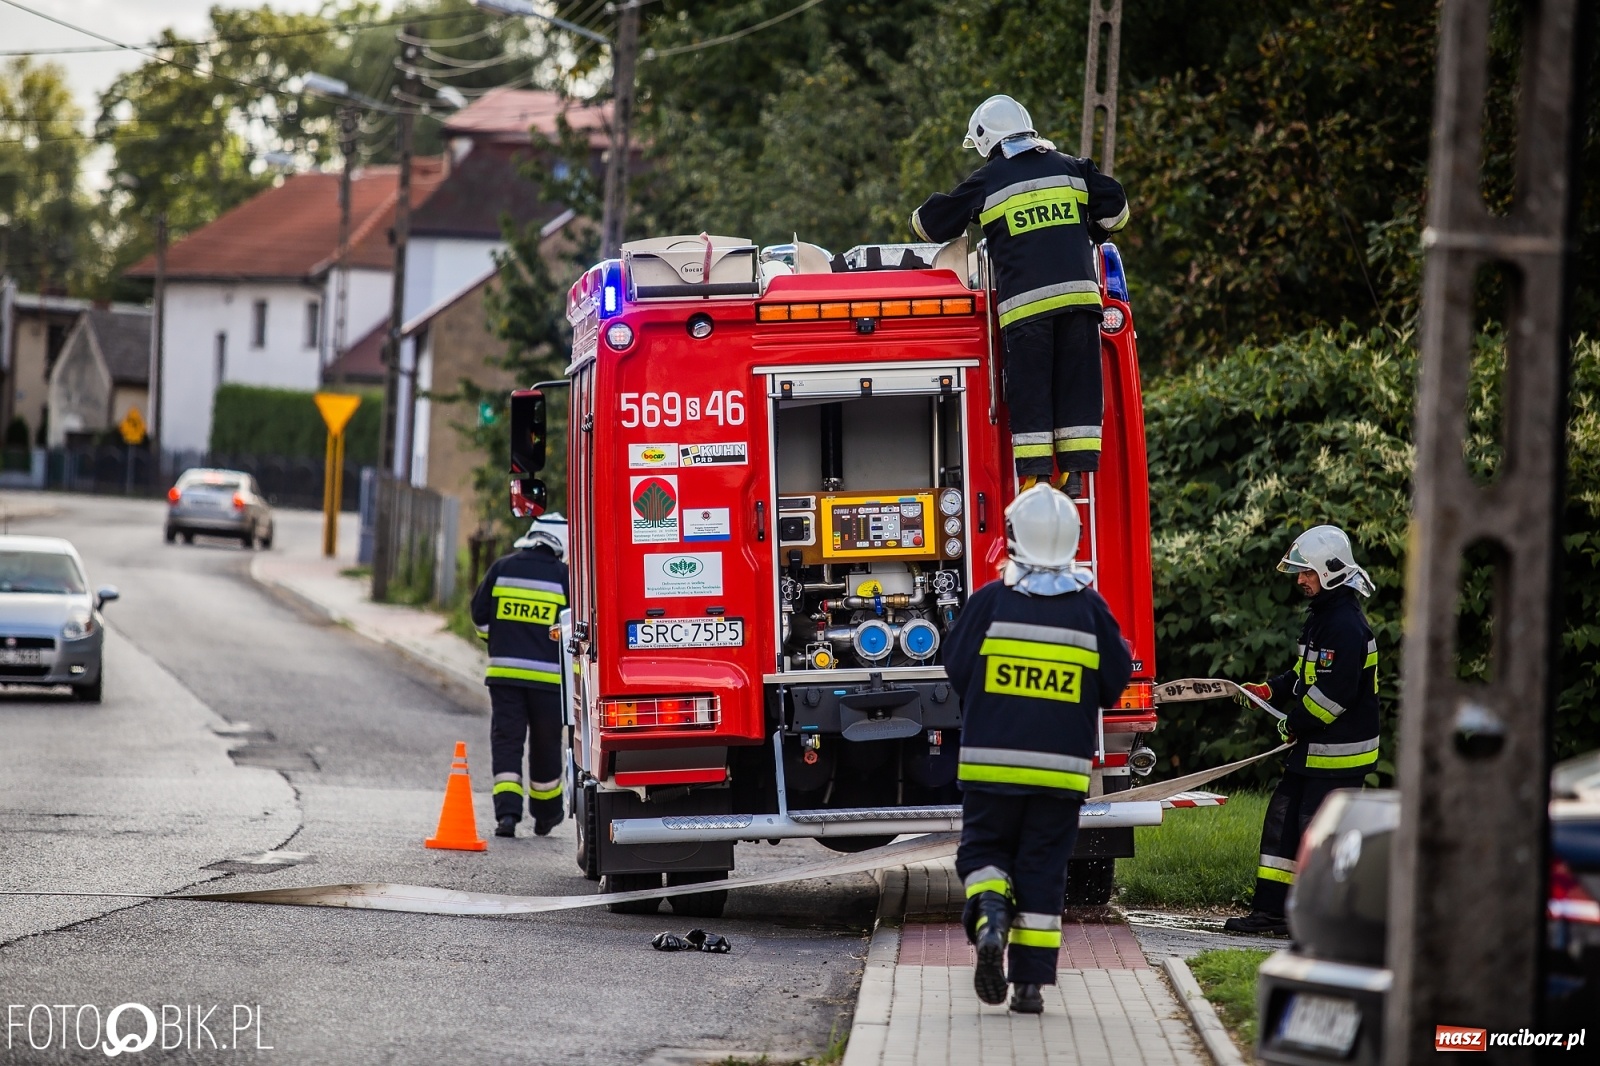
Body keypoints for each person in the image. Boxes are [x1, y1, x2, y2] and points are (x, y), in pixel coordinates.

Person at [941, 484, 1133, 1012]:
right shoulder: (1093, 611)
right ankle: (1028, 988)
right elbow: (1115, 686)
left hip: (989, 770)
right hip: (1060, 778)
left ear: (1014, 536)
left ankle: (990, 922)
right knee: (1044, 871)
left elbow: (955, 669)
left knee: (983, 855)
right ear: (1072, 539)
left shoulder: (988, 602)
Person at [911, 95, 1130, 497]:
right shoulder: (1072, 169)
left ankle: (1038, 478)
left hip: (1026, 311)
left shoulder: (988, 180)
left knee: (1032, 392)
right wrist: (1091, 232)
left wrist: (922, 215)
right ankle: (1077, 473)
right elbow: (1116, 211)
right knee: (1076, 385)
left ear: (985, 141)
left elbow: (930, 226)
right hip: (1081, 304)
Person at [1224, 525, 1382, 935]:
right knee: (1282, 824)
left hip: (1338, 755)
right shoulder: (1322, 620)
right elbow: (1303, 676)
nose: (1300, 580)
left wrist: (1292, 723)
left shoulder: (1346, 627)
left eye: (1307, 572)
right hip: (1314, 750)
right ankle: (1272, 913)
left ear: (1329, 571)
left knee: (1319, 836)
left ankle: (1319, 920)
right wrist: (1268, 690)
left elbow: (1333, 696)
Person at [470, 514, 571, 839]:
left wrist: (495, 641)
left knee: (507, 741)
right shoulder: (564, 576)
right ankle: (546, 815)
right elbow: (575, 628)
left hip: (504, 677)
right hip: (549, 683)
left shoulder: (502, 567)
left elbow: (479, 615)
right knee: (545, 745)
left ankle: (508, 816)